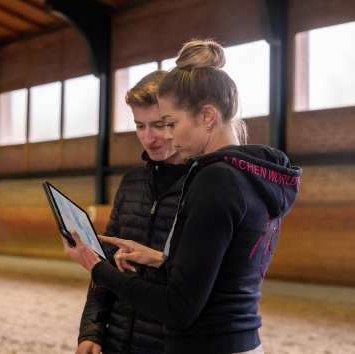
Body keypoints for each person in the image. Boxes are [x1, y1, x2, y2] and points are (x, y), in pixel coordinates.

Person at [64, 39, 302, 354]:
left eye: (171, 124)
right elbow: (220, 273)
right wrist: (163, 260)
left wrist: (95, 266)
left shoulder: (215, 179)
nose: (169, 136)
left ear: (207, 117)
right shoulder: (249, 175)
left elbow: (178, 306)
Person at [77, 70, 188, 354]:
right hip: (116, 341)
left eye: (160, 125)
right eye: (140, 126)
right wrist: (92, 329)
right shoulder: (130, 183)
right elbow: (105, 263)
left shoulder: (202, 185)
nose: (149, 138)